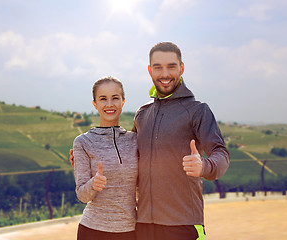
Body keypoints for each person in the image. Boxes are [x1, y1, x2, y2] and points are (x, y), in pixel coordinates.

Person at [133, 42, 229, 240]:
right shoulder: (142, 114)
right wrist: (89, 157)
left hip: (183, 224)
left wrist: (204, 166)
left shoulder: (198, 110)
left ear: (181, 68)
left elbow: (221, 153)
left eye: (171, 66)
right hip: (143, 224)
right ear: (150, 70)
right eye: (158, 67)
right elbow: (128, 155)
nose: (164, 73)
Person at [73, 76, 138, 240]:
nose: (109, 104)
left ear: (123, 101)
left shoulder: (136, 140)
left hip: (131, 230)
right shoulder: (83, 142)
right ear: (95, 103)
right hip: (93, 230)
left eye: (115, 98)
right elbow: (82, 195)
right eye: (103, 99)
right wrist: (93, 184)